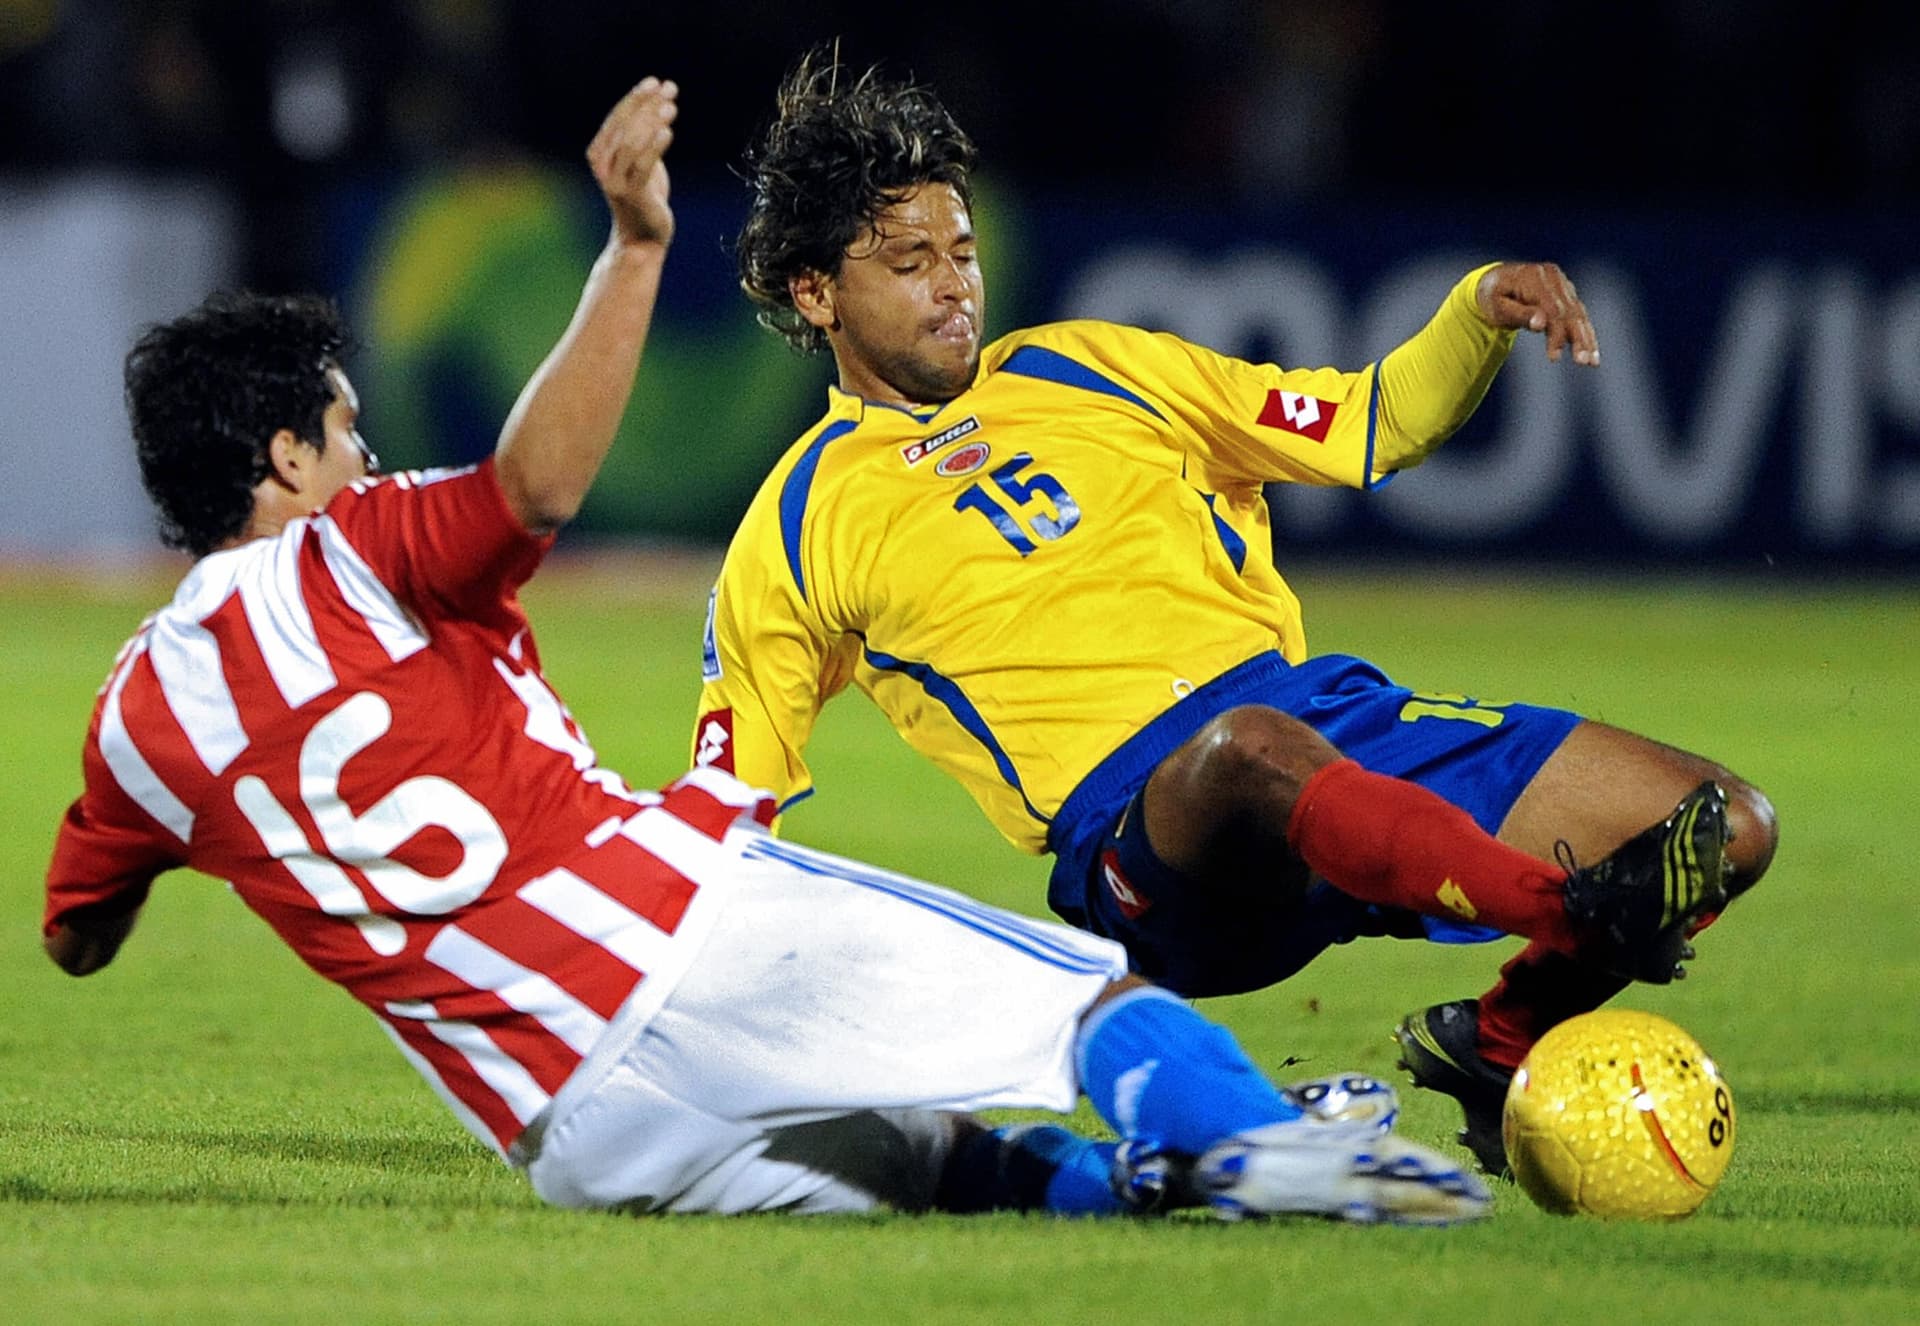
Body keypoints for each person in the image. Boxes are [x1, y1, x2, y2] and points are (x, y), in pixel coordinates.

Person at [40, 76, 1492, 1226]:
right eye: (348, 432)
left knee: (927, 1163)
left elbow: (73, 932)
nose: (368, 456)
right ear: (289, 452)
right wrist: (633, 251)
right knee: (1088, 1003)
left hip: (564, 1125)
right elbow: (531, 491)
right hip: (668, 924)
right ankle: (1263, 1147)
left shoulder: (134, 723)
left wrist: (168, 861)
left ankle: (1173, 1187)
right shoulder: (357, 546)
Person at [697, 55, 1780, 1176]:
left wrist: (1473, 311)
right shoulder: (795, 523)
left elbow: (1363, 423)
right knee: (1245, 753)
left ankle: (1500, 1045)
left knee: (1723, 823)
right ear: (815, 292)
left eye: (962, 253)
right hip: (1157, 843)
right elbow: (732, 814)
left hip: (1326, 723)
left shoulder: (1089, 367)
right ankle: (1567, 910)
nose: (952, 286)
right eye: (909, 261)